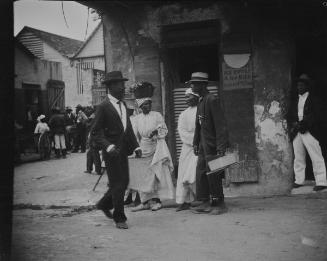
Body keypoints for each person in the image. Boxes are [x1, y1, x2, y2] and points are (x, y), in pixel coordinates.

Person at [90, 71, 142, 229]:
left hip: (123, 150)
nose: (123, 88)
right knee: (118, 184)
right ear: (111, 87)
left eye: (123, 85)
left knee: (123, 182)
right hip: (111, 152)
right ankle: (119, 218)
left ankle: (104, 204)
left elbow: (128, 129)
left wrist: (136, 146)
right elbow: (95, 132)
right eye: (120, 85)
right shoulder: (103, 106)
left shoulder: (123, 105)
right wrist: (108, 146)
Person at [129, 82, 175, 212]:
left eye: (149, 104)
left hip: (155, 147)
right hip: (142, 148)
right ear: (140, 106)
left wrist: (156, 132)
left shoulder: (157, 115)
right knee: (143, 175)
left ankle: (156, 201)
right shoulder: (136, 119)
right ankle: (145, 202)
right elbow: (134, 135)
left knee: (156, 174)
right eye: (144, 105)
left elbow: (164, 130)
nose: (147, 107)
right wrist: (135, 148)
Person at [190, 72, 229, 215]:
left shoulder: (212, 100)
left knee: (214, 173)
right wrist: (195, 142)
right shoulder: (201, 101)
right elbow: (198, 125)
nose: (192, 86)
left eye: (194, 83)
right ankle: (204, 201)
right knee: (201, 171)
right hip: (203, 145)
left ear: (202, 85)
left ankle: (219, 203)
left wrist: (221, 147)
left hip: (212, 144)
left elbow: (221, 125)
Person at [287, 74, 327, 192]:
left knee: (316, 156)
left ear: (307, 86)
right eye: (298, 85)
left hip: (310, 131)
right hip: (297, 132)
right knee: (298, 156)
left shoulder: (315, 100)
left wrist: (303, 123)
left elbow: (317, 115)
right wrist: (294, 123)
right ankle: (299, 180)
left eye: (302, 85)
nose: (299, 87)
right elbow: (289, 114)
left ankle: (322, 181)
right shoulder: (295, 100)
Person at [175, 88, 199, 211]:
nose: (186, 99)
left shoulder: (202, 111)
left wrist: (199, 142)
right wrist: (193, 141)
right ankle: (183, 201)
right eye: (185, 97)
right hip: (188, 147)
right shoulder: (183, 114)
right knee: (183, 173)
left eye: (189, 96)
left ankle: (201, 199)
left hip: (200, 148)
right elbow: (182, 131)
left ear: (196, 96)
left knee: (194, 174)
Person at [85, 106, 101, 175]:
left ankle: (97, 170)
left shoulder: (94, 116)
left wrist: (86, 121)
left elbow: (90, 126)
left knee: (95, 154)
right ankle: (89, 169)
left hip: (94, 138)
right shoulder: (96, 116)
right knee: (90, 154)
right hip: (94, 137)